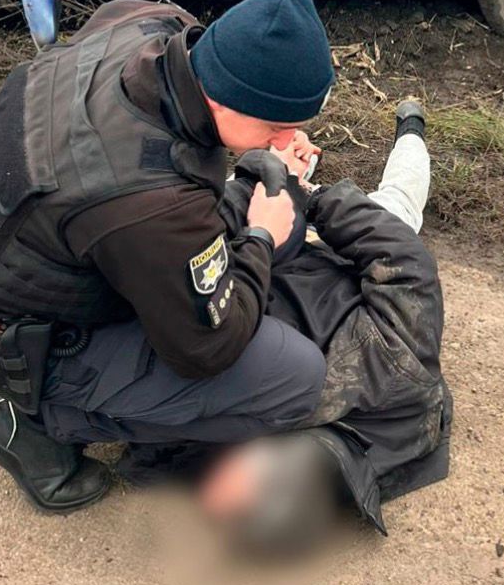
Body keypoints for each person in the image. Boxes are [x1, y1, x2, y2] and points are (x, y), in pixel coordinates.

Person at [0, 0, 336, 513]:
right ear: (225, 96)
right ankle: (35, 424)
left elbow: (170, 194)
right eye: (278, 127)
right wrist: (261, 236)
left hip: (17, 245)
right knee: (294, 378)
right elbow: (207, 350)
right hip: (28, 333)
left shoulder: (147, 25)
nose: (288, 141)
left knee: (260, 214)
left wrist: (264, 168)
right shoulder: (149, 202)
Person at [123, 102, 450, 551]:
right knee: (398, 204)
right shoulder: (396, 366)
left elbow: (205, 238)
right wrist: (307, 193)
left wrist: (277, 181)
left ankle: (295, 157)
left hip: (273, 262)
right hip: (334, 265)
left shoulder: (212, 442)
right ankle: (411, 126)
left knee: (375, 207)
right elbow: (403, 259)